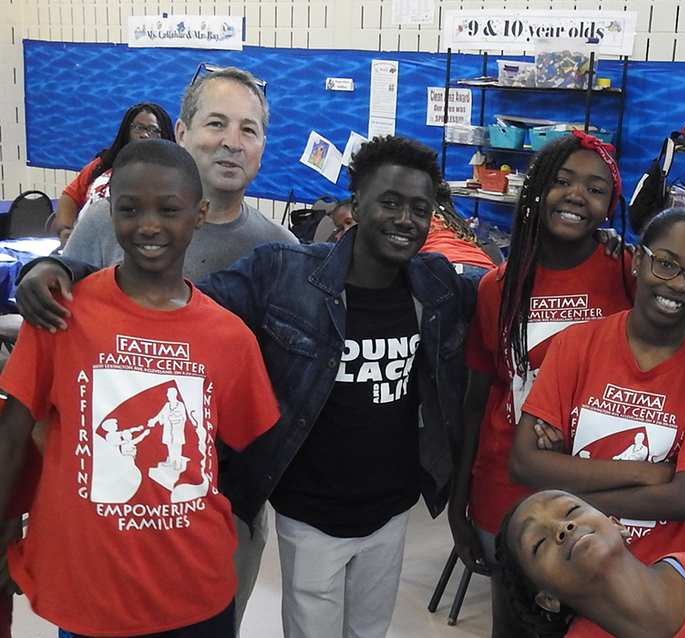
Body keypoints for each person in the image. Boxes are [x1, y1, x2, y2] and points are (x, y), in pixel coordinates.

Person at [15, 136, 478, 638]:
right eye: (389, 203)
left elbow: (500, 295)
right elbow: (167, 293)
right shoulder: (285, 272)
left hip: (393, 506)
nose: (404, 219)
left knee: (371, 631)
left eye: (420, 209)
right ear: (356, 205)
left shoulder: (436, 286)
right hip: (310, 508)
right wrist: (63, 267)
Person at [0, 139, 279, 637]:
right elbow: (13, 437)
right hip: (91, 589)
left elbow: (245, 452)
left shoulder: (230, 337)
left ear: (198, 214)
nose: (149, 225)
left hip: (194, 586)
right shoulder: (61, 314)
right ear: (109, 213)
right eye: (130, 209)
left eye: (168, 210)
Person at [450, 131, 632, 637]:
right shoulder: (497, 287)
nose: (577, 195)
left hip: (597, 496)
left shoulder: (626, 273)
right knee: (514, 625)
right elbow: (477, 402)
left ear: (609, 207)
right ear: (535, 189)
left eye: (595, 189)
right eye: (562, 180)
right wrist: (459, 505)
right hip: (505, 492)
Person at [507, 208, 685, 567]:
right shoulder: (576, 344)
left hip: (656, 576)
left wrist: (563, 484)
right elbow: (524, 463)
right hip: (570, 567)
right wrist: (650, 473)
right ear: (638, 262)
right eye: (665, 264)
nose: (679, 284)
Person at [61, 66, 297, 282]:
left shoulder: (283, 252)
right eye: (216, 124)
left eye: (248, 130)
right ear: (182, 134)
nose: (233, 143)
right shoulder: (107, 221)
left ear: (262, 148)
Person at [496, 490, 685, 638]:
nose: (562, 528)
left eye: (571, 510)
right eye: (538, 542)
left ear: (618, 526)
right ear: (548, 599)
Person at [52, 102, 175, 244]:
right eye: (138, 128)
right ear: (126, 131)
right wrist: (64, 229)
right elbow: (70, 196)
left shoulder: (171, 175)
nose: (144, 135)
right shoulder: (101, 165)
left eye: (153, 130)